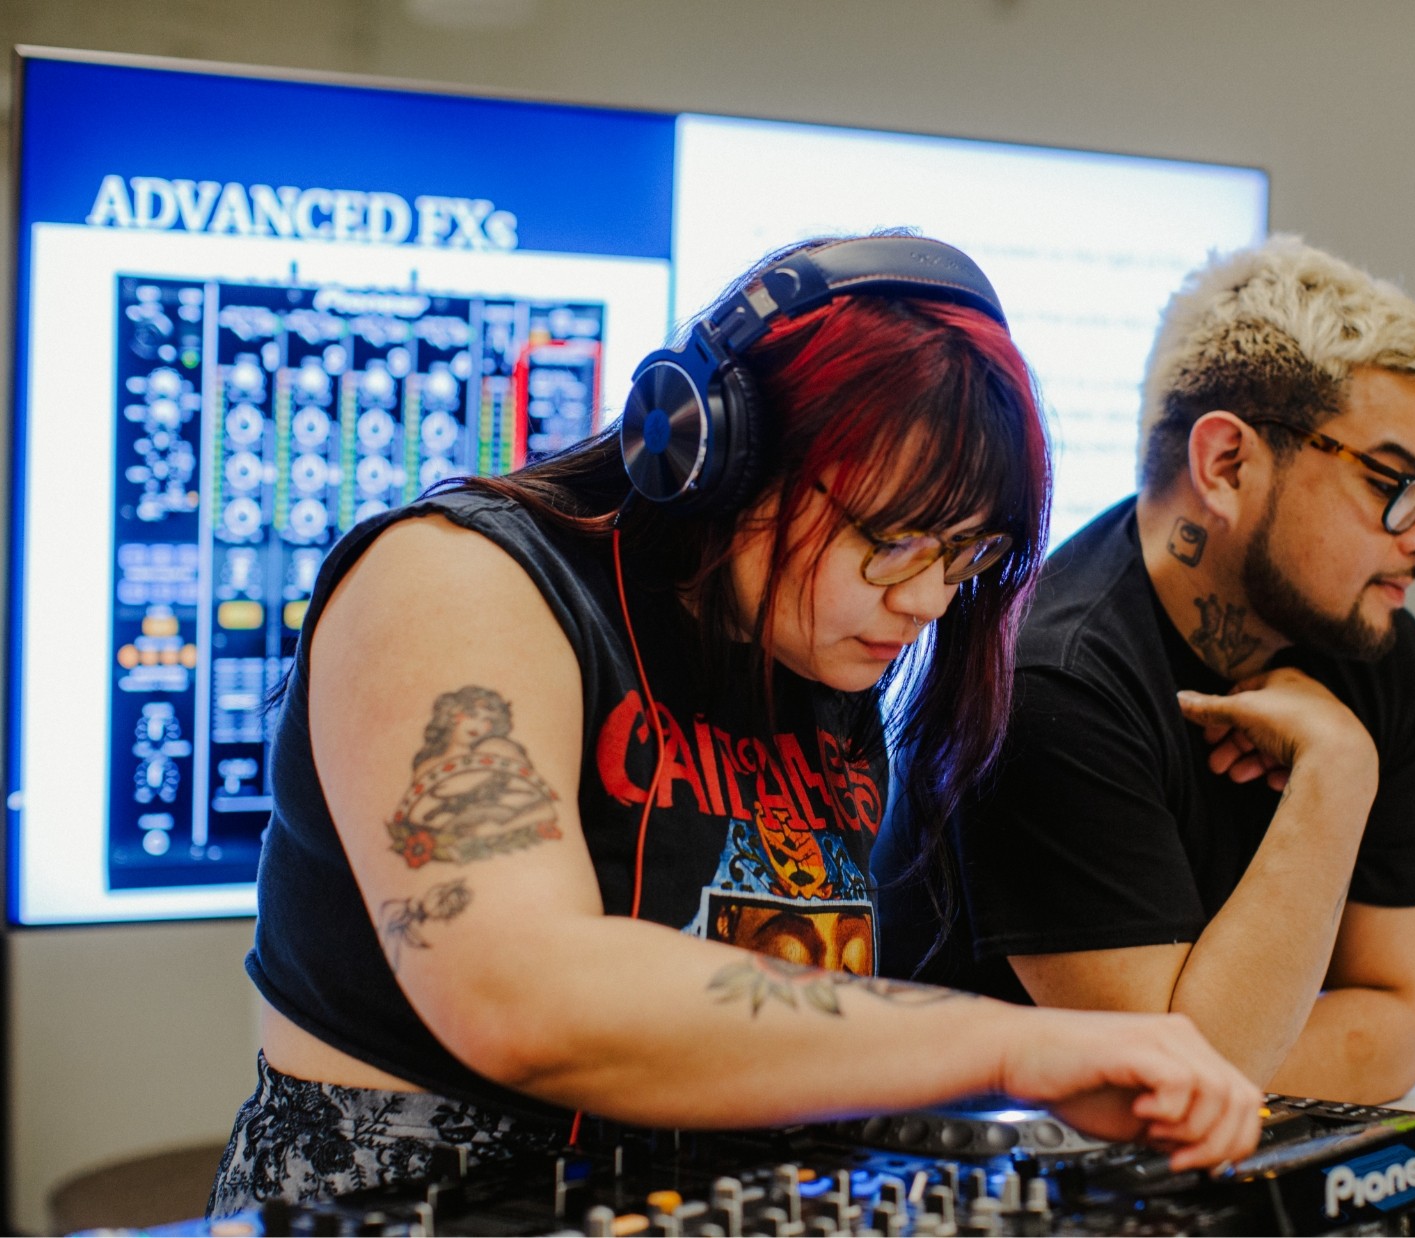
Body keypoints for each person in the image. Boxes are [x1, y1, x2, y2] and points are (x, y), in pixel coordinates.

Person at [207, 236, 1261, 1215]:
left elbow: (778, 1026)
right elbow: (520, 992)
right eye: (893, 542)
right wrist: (1014, 1047)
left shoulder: (810, 664)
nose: (930, 601)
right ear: (719, 454)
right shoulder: (453, 581)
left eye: (966, 558)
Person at [877, 235, 1415, 1105]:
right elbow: (1167, 1091)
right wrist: (1338, 773)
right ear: (1226, 464)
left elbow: (1394, 1034)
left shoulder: (1376, 651)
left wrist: (1212, 1046)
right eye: (1391, 482)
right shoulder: (1051, 680)